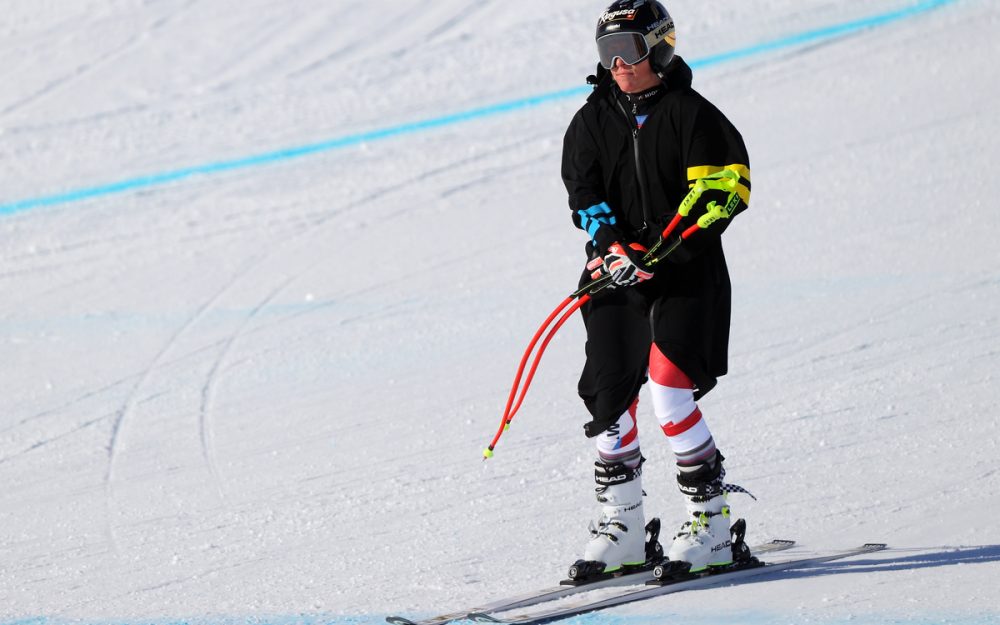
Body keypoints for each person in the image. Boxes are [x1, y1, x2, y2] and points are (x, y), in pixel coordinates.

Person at [561, 0, 752, 575]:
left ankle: (712, 523)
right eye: (608, 53)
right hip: (619, 272)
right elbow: (585, 194)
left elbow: (723, 193)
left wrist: (662, 252)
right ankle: (622, 522)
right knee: (609, 390)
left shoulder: (693, 115)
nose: (619, 64)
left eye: (631, 50)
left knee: (669, 387)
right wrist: (611, 247)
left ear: (661, 47)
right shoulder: (591, 121)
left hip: (686, 271)